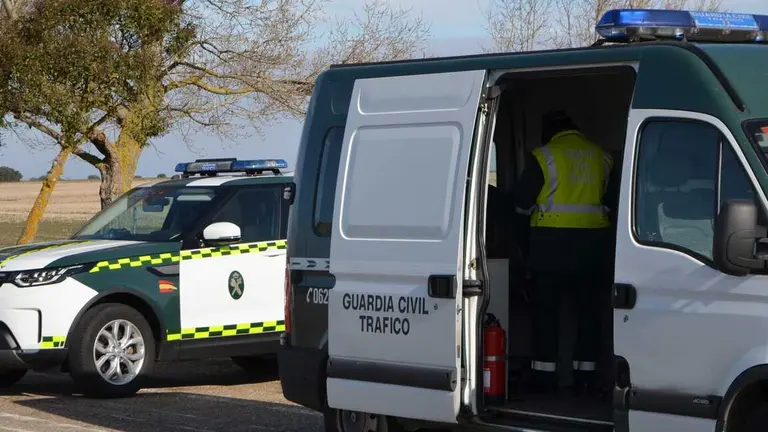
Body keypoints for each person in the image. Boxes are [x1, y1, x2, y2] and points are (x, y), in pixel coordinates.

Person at [511, 110, 615, 397]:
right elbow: (613, 201)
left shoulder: (543, 156)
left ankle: (545, 379)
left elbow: (520, 204)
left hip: (550, 251)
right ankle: (587, 379)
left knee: (546, 316)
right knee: (588, 316)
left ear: (549, 132)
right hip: (593, 251)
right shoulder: (603, 157)